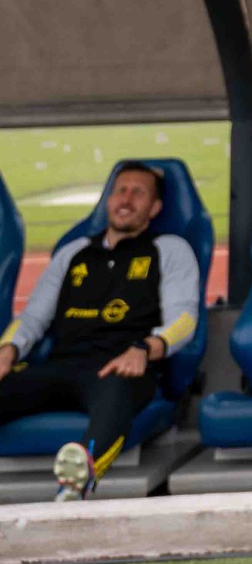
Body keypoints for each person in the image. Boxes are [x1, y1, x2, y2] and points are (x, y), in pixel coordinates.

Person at [0, 163, 200, 502]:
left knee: (115, 392)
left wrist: (145, 348)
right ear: (108, 200)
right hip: (60, 366)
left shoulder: (169, 249)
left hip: (121, 367)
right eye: (121, 190)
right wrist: (7, 349)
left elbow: (184, 320)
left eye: (139, 193)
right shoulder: (73, 252)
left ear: (155, 208)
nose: (126, 199)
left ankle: (78, 479)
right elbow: (33, 316)